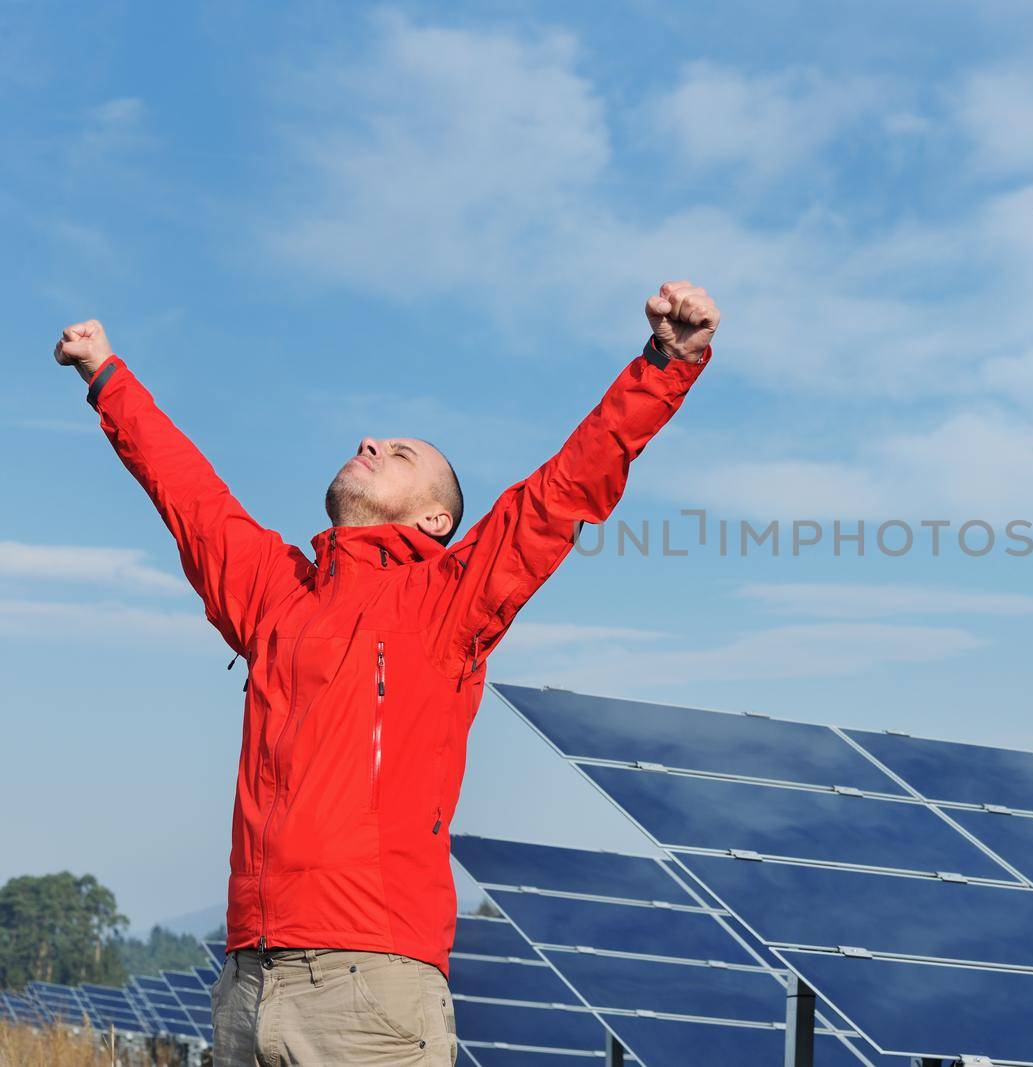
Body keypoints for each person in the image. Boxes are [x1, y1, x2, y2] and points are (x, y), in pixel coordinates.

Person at [52, 282, 720, 1065]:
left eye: (400, 453)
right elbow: (191, 495)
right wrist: (106, 374)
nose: (369, 441)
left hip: (370, 986)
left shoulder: (448, 601)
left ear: (437, 519)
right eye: (374, 439)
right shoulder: (275, 592)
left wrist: (667, 361)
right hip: (245, 982)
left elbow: (560, 490)